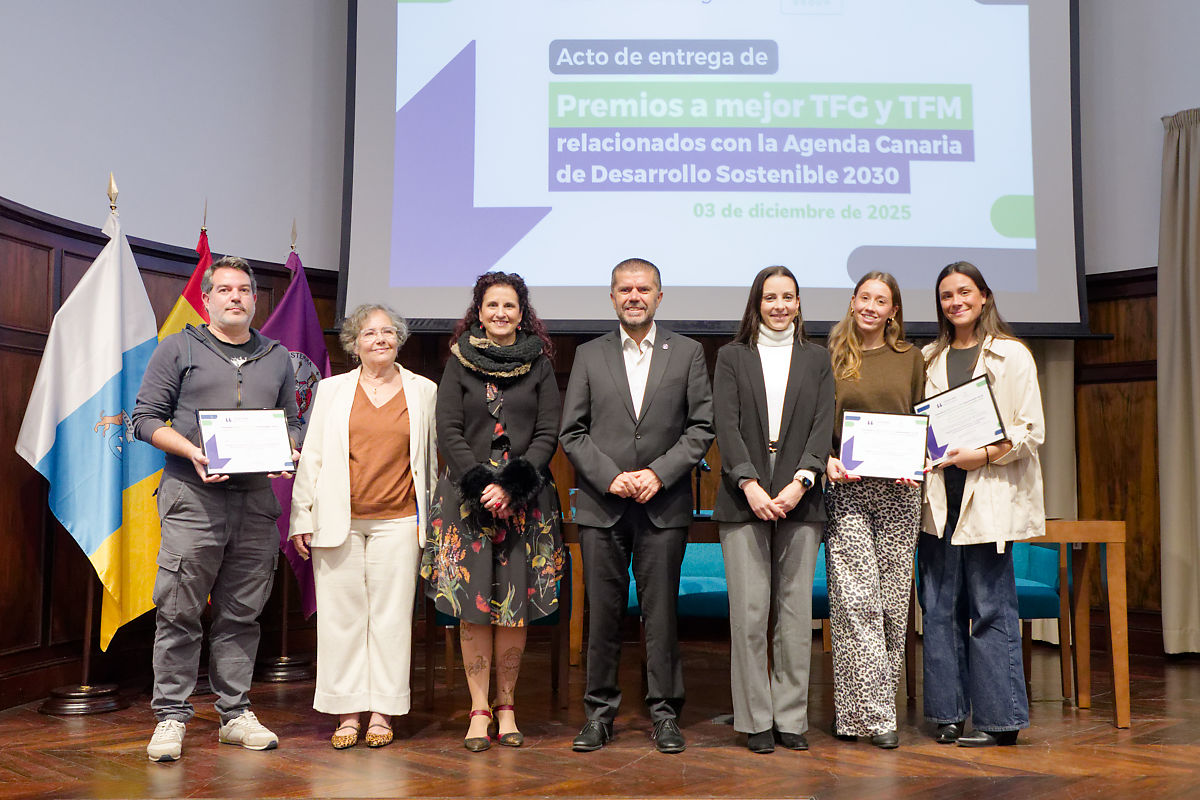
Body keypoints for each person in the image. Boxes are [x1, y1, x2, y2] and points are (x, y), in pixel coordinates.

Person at [131, 256, 301, 762]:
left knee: (242, 614)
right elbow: (144, 420)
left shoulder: (277, 356)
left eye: (244, 290)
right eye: (224, 289)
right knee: (178, 610)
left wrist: (287, 449)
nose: (235, 297)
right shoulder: (178, 348)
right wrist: (192, 452)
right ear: (206, 299)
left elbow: (292, 420)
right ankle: (170, 717)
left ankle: (235, 714)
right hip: (192, 499)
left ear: (254, 299)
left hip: (256, 504)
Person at [560, 258, 715, 754]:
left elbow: (701, 428)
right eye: (625, 289)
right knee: (603, 616)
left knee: (661, 616)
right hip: (602, 505)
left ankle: (665, 715)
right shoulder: (589, 354)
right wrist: (611, 477)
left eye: (643, 289)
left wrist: (658, 474)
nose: (634, 296)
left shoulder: (687, 352)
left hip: (662, 505)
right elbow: (572, 432)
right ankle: (598, 715)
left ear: (659, 296)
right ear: (612, 297)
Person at [420, 271, 564, 752]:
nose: (501, 313)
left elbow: (547, 433)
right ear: (478, 313)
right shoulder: (458, 361)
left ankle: (507, 707)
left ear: (522, 315)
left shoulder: (540, 365)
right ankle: (479, 708)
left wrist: (512, 487)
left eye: (509, 306)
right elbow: (448, 430)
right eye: (492, 305)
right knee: (474, 607)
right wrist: (484, 485)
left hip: (526, 502)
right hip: (468, 502)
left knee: (513, 609)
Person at [288, 304, 437, 750]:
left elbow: (432, 462)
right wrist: (302, 516)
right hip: (338, 522)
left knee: (392, 620)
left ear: (399, 340)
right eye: (370, 333)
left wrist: (432, 521)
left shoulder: (424, 391)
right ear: (354, 344)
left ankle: (383, 713)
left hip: (400, 521)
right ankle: (347, 713)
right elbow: (312, 457)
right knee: (341, 621)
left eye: (388, 332)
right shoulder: (331, 390)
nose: (380, 339)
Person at [919, 261, 1045, 747]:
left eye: (965, 292)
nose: (956, 302)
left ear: (985, 296)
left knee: (991, 609)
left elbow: (1030, 430)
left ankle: (1000, 721)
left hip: (988, 495)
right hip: (939, 499)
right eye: (946, 295)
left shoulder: (1012, 355)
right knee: (938, 609)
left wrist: (985, 454)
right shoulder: (928, 358)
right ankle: (948, 715)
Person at [711, 266, 833, 754]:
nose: (779, 306)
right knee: (749, 613)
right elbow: (726, 424)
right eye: (770, 298)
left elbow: (823, 424)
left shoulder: (817, 358)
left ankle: (790, 718)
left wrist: (801, 482)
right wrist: (750, 484)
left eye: (787, 297)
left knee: (795, 614)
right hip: (744, 498)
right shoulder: (732, 357)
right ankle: (756, 719)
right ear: (756, 304)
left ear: (799, 303)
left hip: (802, 497)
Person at [823, 271, 924, 749]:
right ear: (852, 302)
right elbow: (817, 421)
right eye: (864, 297)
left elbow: (923, 418)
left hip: (900, 492)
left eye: (880, 300)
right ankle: (874, 716)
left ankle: (863, 713)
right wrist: (826, 459)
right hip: (848, 490)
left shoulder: (911, 358)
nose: (870, 306)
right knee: (854, 602)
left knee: (891, 605)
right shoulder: (831, 355)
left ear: (893, 310)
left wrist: (918, 462)